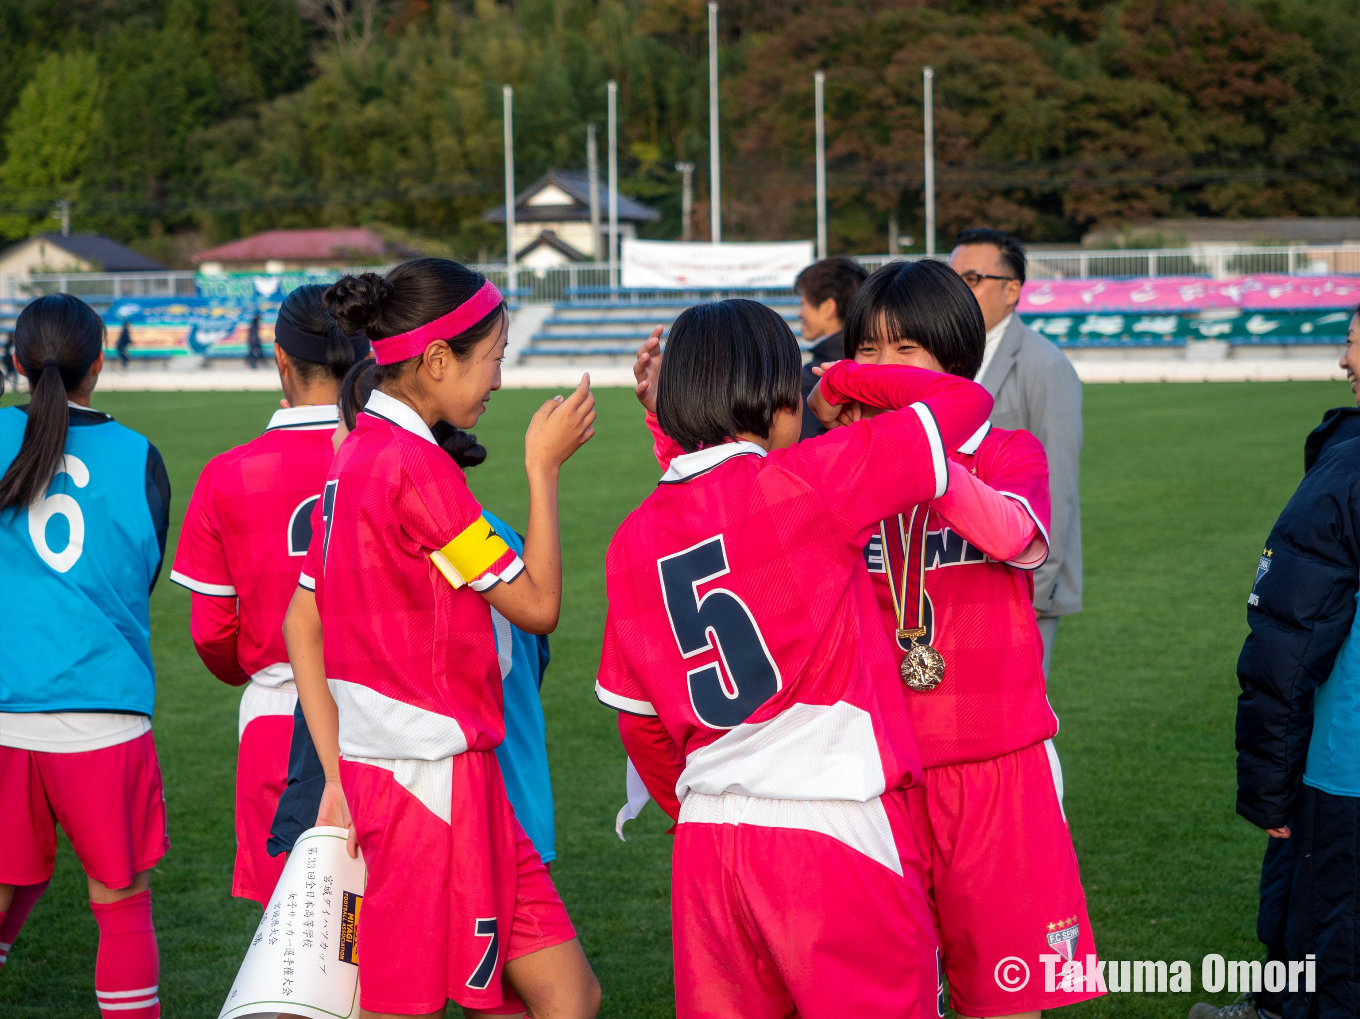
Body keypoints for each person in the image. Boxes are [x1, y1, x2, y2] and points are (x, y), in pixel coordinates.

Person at [598, 298, 993, 1018]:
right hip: (832, 830)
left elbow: (642, 727)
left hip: (708, 841)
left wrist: (701, 807)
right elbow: (964, 401)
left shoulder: (630, 537)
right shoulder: (811, 478)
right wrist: (844, 378)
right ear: (780, 395)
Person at [282, 258, 600, 1019]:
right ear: (434, 360)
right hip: (424, 784)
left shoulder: (352, 458)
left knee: (568, 994)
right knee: (409, 1004)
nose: (498, 377)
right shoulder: (416, 468)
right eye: (492, 357)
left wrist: (337, 768)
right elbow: (537, 605)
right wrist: (542, 467)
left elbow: (304, 618)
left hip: (454, 776)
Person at [829, 259, 1100, 1018]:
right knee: (886, 998)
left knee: (1006, 999)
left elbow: (1017, 537)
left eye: (904, 351)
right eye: (867, 352)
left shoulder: (1009, 452)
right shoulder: (843, 464)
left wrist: (927, 450)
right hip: (877, 778)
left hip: (997, 769)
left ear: (954, 357)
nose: (879, 371)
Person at [268, 362, 558, 871]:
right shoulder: (498, 537)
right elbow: (534, 657)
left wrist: (544, 471)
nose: (338, 440)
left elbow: (537, 611)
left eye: (343, 425)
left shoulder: (396, 526)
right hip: (507, 790)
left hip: (446, 796)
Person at [169, 285, 368, 907]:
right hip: (382, 720)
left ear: (281, 359)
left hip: (276, 718)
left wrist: (255, 664)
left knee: (286, 934)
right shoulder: (395, 457)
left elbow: (210, 633)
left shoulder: (228, 472)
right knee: (368, 926)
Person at [0, 294, 171, 1019]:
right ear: (100, 364)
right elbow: (143, 571)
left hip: (6, 714)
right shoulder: (139, 456)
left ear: (14, 362)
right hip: (106, 713)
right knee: (120, 899)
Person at [1189, 304, 1360, 1019]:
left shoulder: (1347, 470)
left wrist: (1267, 788)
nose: (1345, 358)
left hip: (1343, 770)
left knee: (1333, 945)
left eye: (1352, 339)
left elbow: (1288, 642)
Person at [949, 228, 1082, 675]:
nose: (955, 291)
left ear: (1012, 291)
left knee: (1015, 727)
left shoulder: (1045, 366)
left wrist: (1038, 590)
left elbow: (1058, 485)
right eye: (950, 278)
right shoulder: (943, 359)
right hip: (949, 577)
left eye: (971, 278)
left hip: (1018, 580)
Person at [793, 256, 868, 439]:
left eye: (803, 303)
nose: (799, 313)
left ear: (828, 308)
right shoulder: (873, 367)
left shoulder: (813, 378)